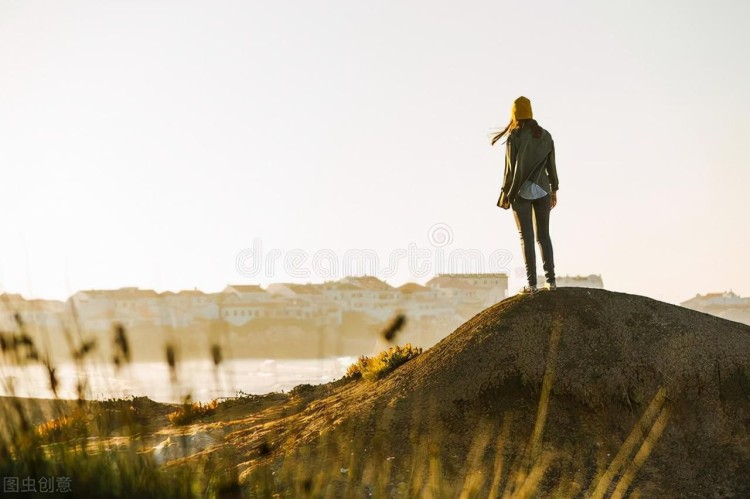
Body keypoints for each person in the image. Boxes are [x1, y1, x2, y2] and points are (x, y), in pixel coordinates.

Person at [492, 96, 559, 294]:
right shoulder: (545, 135)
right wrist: (554, 189)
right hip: (543, 190)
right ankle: (551, 281)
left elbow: (509, 170)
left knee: (526, 237)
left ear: (514, 114)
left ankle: (532, 285)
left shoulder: (515, 137)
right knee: (544, 236)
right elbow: (551, 166)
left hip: (520, 192)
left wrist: (505, 193)